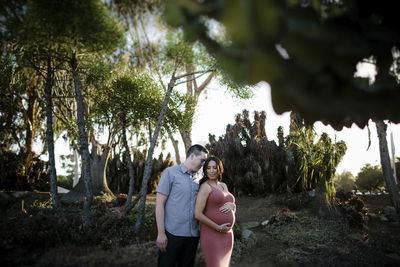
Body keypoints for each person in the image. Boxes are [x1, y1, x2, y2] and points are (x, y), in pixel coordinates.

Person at [155, 144, 209, 267]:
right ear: (192, 156)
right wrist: (161, 233)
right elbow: (159, 204)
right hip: (172, 236)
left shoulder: (199, 179)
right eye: (202, 160)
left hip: (192, 237)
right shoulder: (170, 172)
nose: (203, 164)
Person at [194, 156, 236, 267]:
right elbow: (197, 214)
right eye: (208, 168)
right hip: (212, 234)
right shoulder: (205, 187)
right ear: (205, 170)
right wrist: (218, 227)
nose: (211, 171)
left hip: (227, 235)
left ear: (219, 169)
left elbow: (227, 204)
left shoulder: (223, 185)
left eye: (214, 168)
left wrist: (233, 205)